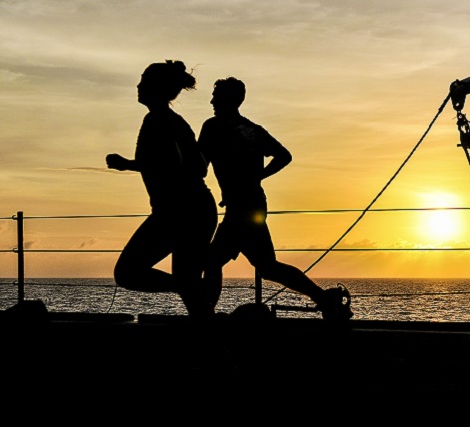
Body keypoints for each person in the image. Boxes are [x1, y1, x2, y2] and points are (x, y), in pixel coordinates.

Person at [198, 76, 352, 321]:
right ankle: (324, 298)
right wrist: (258, 176)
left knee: (213, 260)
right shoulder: (253, 130)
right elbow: (284, 156)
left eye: (216, 97)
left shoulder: (213, 127)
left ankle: (204, 317)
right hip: (254, 204)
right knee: (266, 266)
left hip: (241, 208)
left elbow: (199, 165)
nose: (212, 101)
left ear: (228, 99)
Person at [106, 60, 218, 320]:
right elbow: (199, 167)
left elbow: (180, 166)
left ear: (155, 87)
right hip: (190, 209)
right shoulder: (169, 121)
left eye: (143, 81)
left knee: (128, 272)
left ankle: (214, 343)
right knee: (187, 286)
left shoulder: (161, 120)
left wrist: (128, 164)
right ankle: (216, 350)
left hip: (181, 211)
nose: (138, 85)